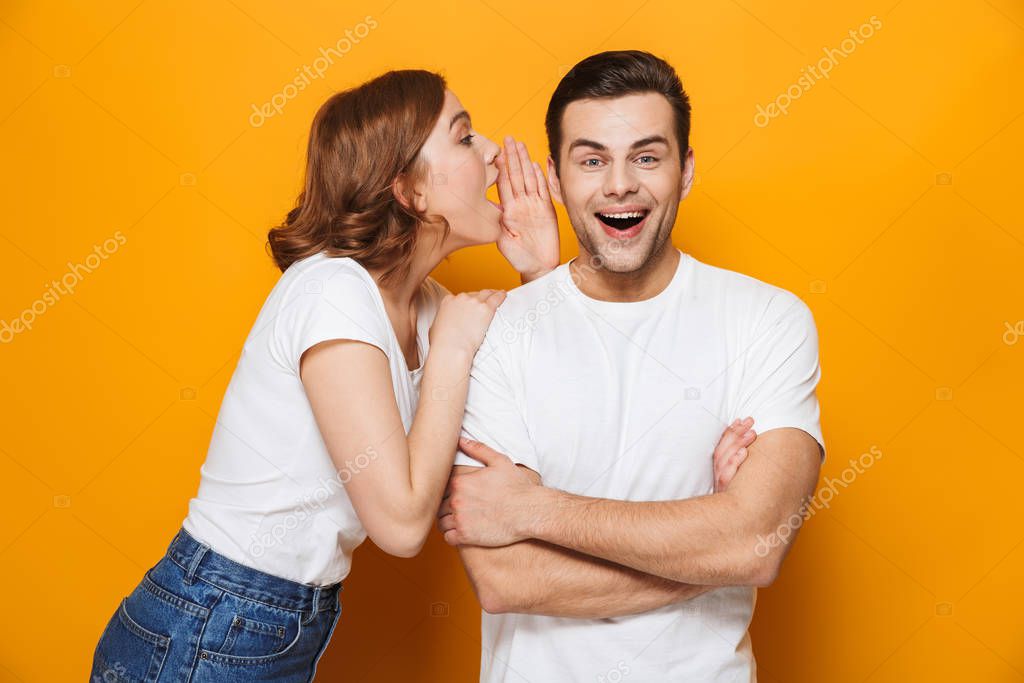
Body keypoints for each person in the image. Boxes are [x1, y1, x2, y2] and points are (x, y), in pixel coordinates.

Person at [88, 68, 564, 682]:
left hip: (270, 623)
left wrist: (539, 272)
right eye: (464, 137)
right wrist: (451, 351)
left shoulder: (428, 310)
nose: (495, 152)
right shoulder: (333, 291)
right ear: (410, 190)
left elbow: (547, 406)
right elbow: (398, 524)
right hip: (210, 621)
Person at [439, 50, 825, 682]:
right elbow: (506, 579)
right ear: (558, 179)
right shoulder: (494, 331)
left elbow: (755, 545)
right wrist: (712, 546)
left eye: (647, 156)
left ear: (687, 170)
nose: (619, 184)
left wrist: (535, 510)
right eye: (592, 160)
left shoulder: (768, 319)